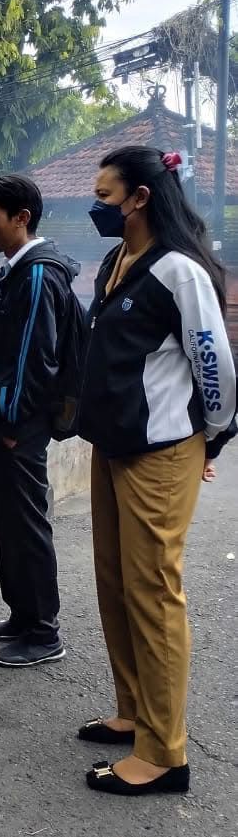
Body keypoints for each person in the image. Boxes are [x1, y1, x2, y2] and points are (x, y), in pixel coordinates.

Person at [78, 146, 235, 797]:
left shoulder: (178, 272)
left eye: (105, 196)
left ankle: (165, 753)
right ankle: (134, 710)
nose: (95, 207)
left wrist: (211, 439)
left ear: (139, 197)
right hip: (112, 444)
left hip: (160, 451)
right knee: (114, 582)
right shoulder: (117, 261)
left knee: (153, 591)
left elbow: (213, 363)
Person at [0, 175, 81, 668]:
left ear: (21, 218)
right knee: (9, 520)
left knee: (27, 523)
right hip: (11, 421)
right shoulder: (20, 270)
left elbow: (35, 361)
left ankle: (44, 632)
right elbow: (2, 355)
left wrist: (8, 423)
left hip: (22, 426)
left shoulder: (37, 275)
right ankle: (23, 616)